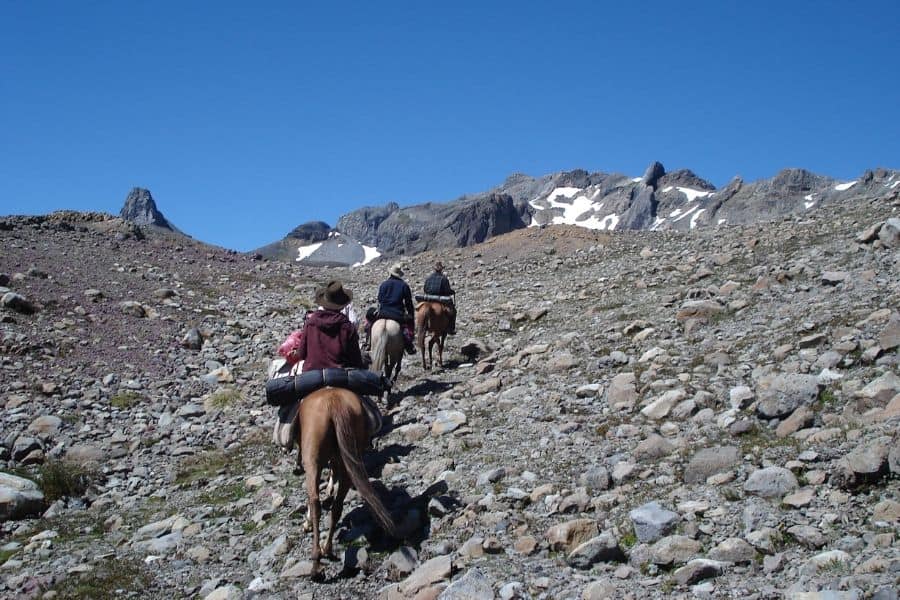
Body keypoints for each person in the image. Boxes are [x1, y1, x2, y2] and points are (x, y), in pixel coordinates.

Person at [295, 280, 364, 371]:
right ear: (342, 305)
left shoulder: (311, 322)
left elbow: (301, 354)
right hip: (340, 374)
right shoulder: (347, 327)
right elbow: (355, 359)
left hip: (311, 373)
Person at [366, 263, 416, 354]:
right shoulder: (404, 285)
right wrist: (411, 315)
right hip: (398, 315)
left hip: (382, 313)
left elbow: (380, 299)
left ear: (390, 273)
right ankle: (409, 345)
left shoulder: (384, 284)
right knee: (406, 327)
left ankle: (368, 341)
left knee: (370, 318)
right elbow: (408, 303)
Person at [423, 261, 456, 334]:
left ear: (434, 269)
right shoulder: (444, 279)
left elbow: (425, 289)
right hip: (440, 299)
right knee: (453, 311)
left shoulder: (428, 278)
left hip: (429, 298)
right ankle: (451, 328)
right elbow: (447, 291)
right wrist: (452, 292)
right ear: (441, 269)